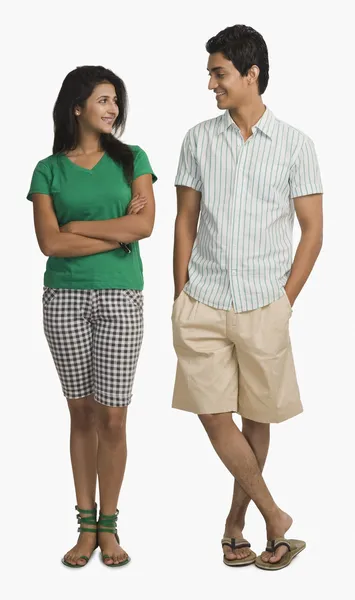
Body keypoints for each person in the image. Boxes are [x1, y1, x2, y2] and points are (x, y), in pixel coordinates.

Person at [172, 25, 323, 571]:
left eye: (219, 73)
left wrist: (285, 299)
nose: (211, 83)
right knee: (214, 415)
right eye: (211, 73)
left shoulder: (296, 145)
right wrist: (179, 293)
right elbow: (185, 220)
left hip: (265, 303)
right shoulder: (197, 138)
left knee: (256, 417)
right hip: (204, 300)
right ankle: (275, 517)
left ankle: (238, 525)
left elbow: (312, 231)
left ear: (251, 72)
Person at [27, 66, 157, 568]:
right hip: (63, 299)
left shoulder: (133, 160)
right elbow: (48, 242)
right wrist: (112, 230)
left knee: (114, 416)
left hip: (122, 297)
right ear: (77, 106)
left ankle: (110, 527)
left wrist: (77, 223)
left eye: (116, 102)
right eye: (103, 100)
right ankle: (85, 527)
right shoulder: (48, 169)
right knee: (81, 414)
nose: (113, 110)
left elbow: (144, 225)